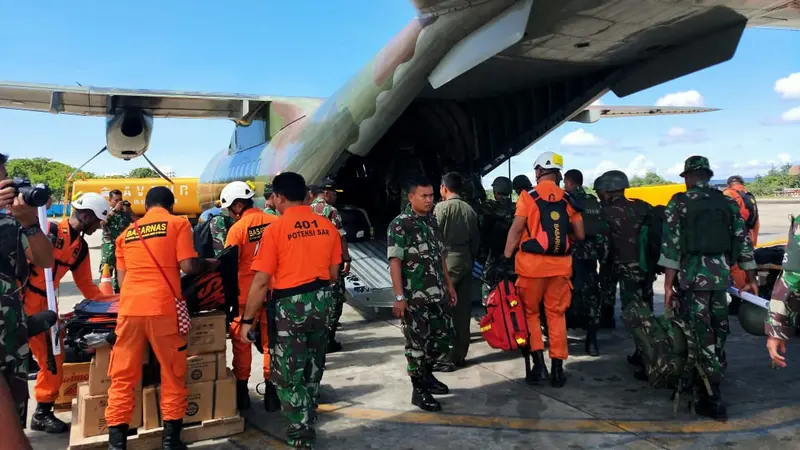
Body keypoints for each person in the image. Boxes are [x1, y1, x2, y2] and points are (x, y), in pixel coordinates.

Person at [105, 186, 218, 450]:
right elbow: (188, 266)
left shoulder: (126, 234)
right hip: (162, 310)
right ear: (171, 205)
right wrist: (207, 264)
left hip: (130, 311)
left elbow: (122, 281)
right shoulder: (177, 223)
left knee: (122, 377)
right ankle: (170, 441)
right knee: (172, 373)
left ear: (145, 207)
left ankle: (116, 443)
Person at [239, 172, 341, 449]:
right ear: (307, 195)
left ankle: (301, 433)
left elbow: (260, 282)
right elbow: (334, 273)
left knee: (287, 374)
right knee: (313, 364)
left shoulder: (275, 230)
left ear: (280, 197)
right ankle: (310, 414)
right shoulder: (327, 227)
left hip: (290, 307)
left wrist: (247, 321)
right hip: (323, 303)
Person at [659, 156, 757, 420]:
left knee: (698, 332)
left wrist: (668, 286)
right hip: (720, 277)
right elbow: (743, 240)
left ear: (689, 177)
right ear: (708, 175)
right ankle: (715, 376)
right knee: (719, 327)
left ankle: (710, 394)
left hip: (693, 277)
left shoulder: (679, 202)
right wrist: (751, 278)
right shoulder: (726, 203)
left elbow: (671, 246)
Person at [24, 191, 108, 433]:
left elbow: (88, 288)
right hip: (19, 303)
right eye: (96, 221)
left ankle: (41, 412)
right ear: (85, 215)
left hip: (47, 308)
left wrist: (118, 301)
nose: (97, 226)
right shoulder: (45, 229)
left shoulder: (80, 249)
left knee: (54, 359)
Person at [503, 152, 584, 388]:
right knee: (556, 315)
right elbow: (579, 234)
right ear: (558, 172)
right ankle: (558, 369)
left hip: (530, 268)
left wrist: (507, 256)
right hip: (560, 269)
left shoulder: (528, 197)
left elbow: (517, 229)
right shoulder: (569, 199)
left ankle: (539, 366)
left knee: (531, 315)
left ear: (538, 171)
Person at [388, 176, 457, 412]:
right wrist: (399, 297)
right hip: (414, 298)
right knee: (416, 345)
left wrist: (449, 285)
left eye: (431, 196)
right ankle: (418, 390)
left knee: (441, 339)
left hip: (437, 294)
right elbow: (395, 262)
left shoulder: (432, 222)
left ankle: (427, 376)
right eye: (424, 196)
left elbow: (441, 257)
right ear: (411, 197)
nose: (429, 200)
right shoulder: (400, 225)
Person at [0, 153, 54, 449]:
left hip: (12, 343)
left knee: (13, 424)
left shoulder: (10, 223)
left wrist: (30, 224)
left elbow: (45, 260)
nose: (6, 186)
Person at [219, 181, 279, 412]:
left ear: (237, 205)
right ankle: (272, 396)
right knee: (270, 345)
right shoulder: (275, 222)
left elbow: (228, 265)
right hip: (273, 295)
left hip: (245, 300)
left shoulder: (237, 229)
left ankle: (242, 396)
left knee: (242, 346)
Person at [596, 170, 656, 379]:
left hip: (625, 269)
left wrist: (604, 266)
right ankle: (643, 352)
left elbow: (603, 246)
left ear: (609, 190)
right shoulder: (642, 207)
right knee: (646, 309)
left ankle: (650, 360)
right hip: (645, 267)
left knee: (635, 316)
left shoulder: (607, 212)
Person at [433, 172, 480, 370]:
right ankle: (459, 355)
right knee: (462, 312)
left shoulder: (440, 208)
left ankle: (444, 356)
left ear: (444, 188)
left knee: (443, 310)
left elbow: (434, 238)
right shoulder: (470, 210)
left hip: (447, 262)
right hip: (466, 260)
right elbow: (476, 241)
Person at [563, 169, 608, 356]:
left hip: (569, 256)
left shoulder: (565, 200)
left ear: (570, 182)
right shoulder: (592, 202)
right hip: (590, 257)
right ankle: (592, 343)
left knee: (563, 297)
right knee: (591, 298)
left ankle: (561, 341)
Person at [310, 178, 352, 353]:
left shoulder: (307, 209)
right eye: (334, 194)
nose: (335, 198)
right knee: (335, 301)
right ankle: (329, 340)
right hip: (330, 263)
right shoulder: (331, 211)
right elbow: (340, 236)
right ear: (326, 193)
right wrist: (346, 259)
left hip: (312, 264)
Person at [723, 175, 760, 293]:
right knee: (746, 266)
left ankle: (740, 296)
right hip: (748, 235)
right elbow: (755, 221)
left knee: (735, 268)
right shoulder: (748, 196)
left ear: (729, 184)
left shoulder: (729, 194)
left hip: (736, 237)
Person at [479, 176, 515, 285]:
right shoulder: (516, 207)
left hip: (494, 255)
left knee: (490, 285)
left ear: (495, 191)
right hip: (512, 255)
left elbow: (481, 227)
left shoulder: (489, 207)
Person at [100, 189, 133, 293]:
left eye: (120, 200)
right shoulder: (106, 211)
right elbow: (102, 222)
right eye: (116, 200)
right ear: (110, 200)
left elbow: (138, 222)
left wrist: (129, 211)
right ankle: (105, 296)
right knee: (107, 273)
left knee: (121, 273)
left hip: (123, 247)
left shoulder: (125, 213)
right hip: (109, 248)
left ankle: (119, 294)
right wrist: (114, 210)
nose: (119, 202)